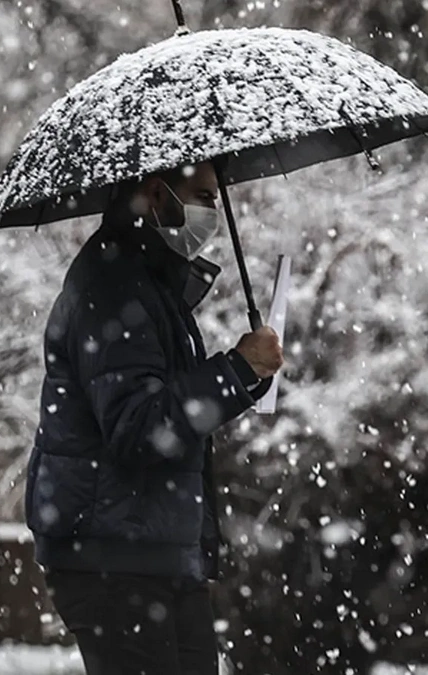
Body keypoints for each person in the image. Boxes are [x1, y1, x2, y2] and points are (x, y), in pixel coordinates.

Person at [23, 162, 284, 675]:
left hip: (149, 550)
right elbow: (139, 428)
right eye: (202, 196)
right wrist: (234, 372)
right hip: (114, 558)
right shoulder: (116, 284)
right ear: (155, 192)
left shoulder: (147, 281)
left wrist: (248, 376)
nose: (210, 211)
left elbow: (166, 411)